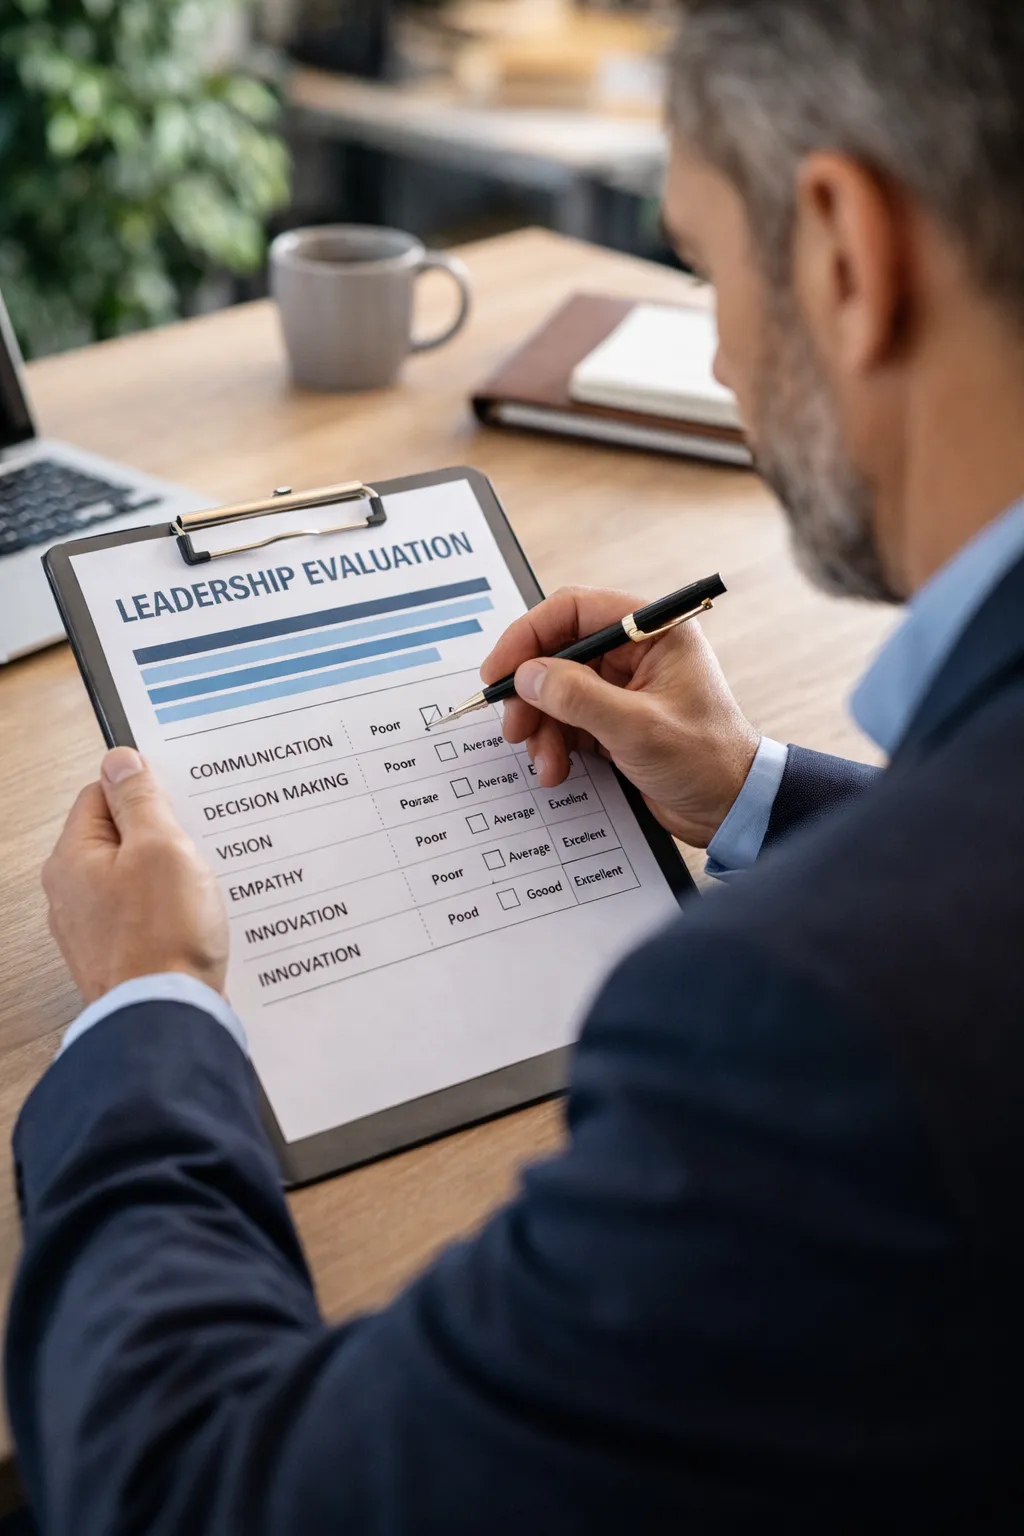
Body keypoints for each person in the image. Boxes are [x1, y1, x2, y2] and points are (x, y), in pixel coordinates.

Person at [7, 1, 1024, 1529]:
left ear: (840, 250)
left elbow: (203, 1490)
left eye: (696, 263)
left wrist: (151, 1008)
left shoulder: (796, 1028)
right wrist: (752, 789)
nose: (726, 352)